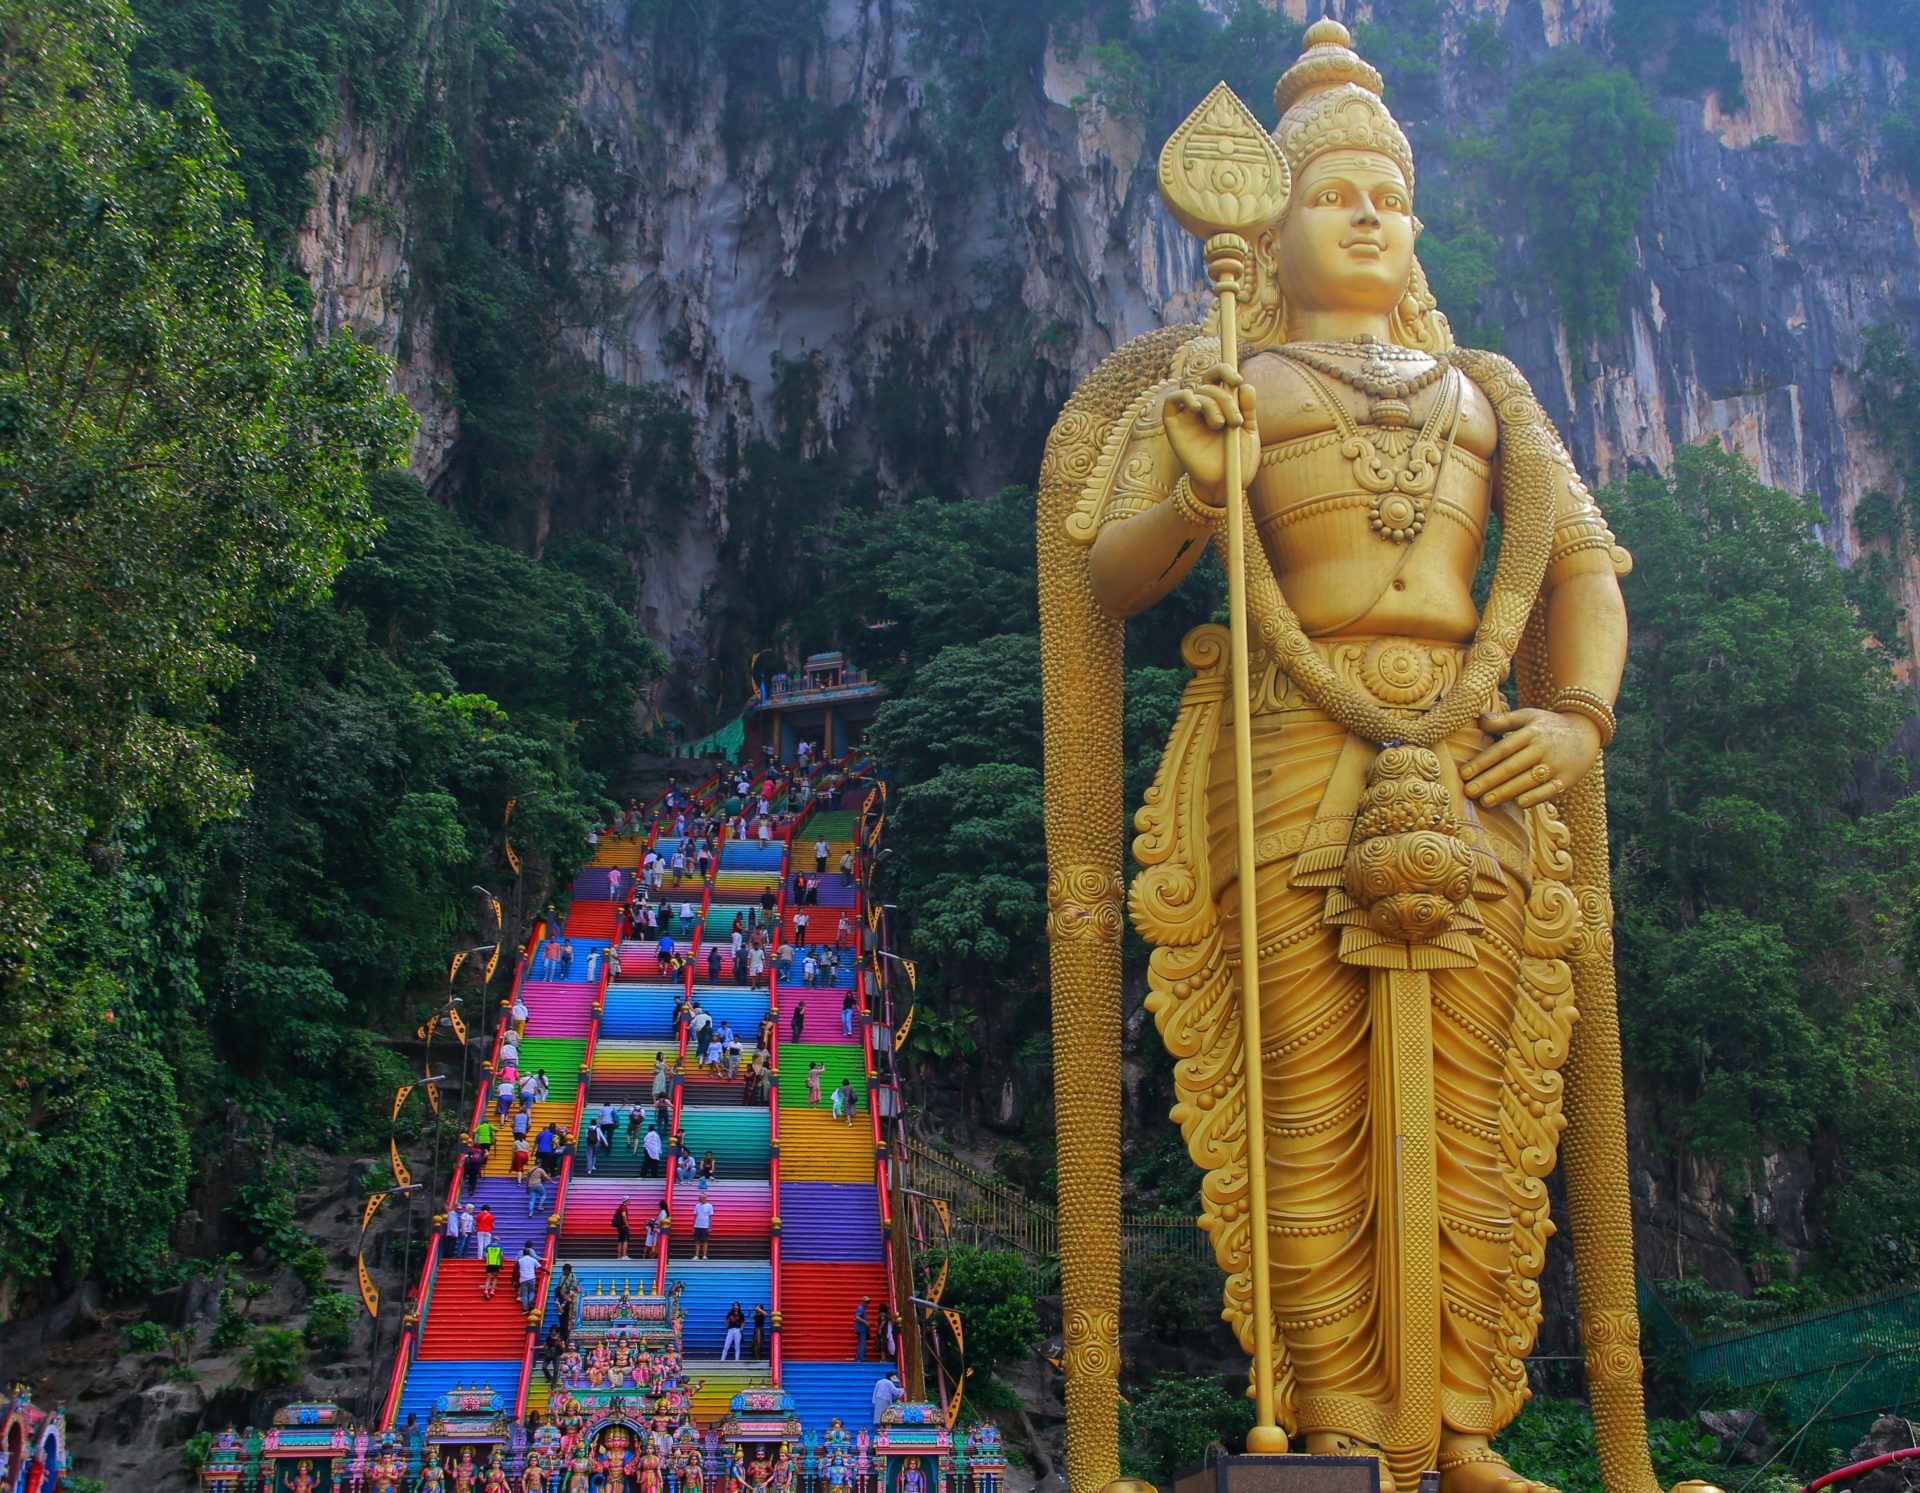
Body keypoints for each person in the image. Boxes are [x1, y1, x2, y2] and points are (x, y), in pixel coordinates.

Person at [516, 1242, 541, 1312]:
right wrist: (547, 1271)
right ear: (529, 1253)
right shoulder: (533, 1260)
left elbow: (517, 1270)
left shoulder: (520, 1261)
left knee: (524, 1294)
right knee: (532, 1292)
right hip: (532, 1277)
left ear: (523, 1253)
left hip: (523, 1278)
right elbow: (540, 1267)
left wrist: (517, 1279)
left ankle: (525, 1308)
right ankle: (530, 1301)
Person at [692, 1195, 714, 1260]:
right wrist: (693, 1226)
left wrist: (710, 1227)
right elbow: (695, 1216)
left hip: (705, 1226)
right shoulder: (697, 1205)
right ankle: (696, 1255)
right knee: (697, 1241)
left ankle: (704, 1255)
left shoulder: (709, 1206)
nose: (699, 1199)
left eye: (700, 1198)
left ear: (704, 1198)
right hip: (697, 1225)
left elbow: (710, 1217)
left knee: (705, 1241)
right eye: (699, 1198)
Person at [612, 1196, 632, 1260]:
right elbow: (623, 1215)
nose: (630, 1201)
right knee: (625, 1240)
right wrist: (627, 1224)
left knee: (620, 1241)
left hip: (619, 1227)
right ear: (626, 1200)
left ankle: (619, 1257)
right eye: (629, 1200)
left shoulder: (620, 1207)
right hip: (623, 1226)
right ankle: (624, 1256)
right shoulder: (624, 1207)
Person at [853, 1297, 870, 1362]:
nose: (867, 1304)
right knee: (862, 1343)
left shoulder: (862, 1309)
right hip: (861, 1329)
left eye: (867, 1303)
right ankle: (860, 1358)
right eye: (866, 1302)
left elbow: (855, 1317)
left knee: (861, 1343)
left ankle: (859, 1357)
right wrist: (865, 1322)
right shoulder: (861, 1308)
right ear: (862, 1302)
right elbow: (857, 1317)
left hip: (861, 1328)